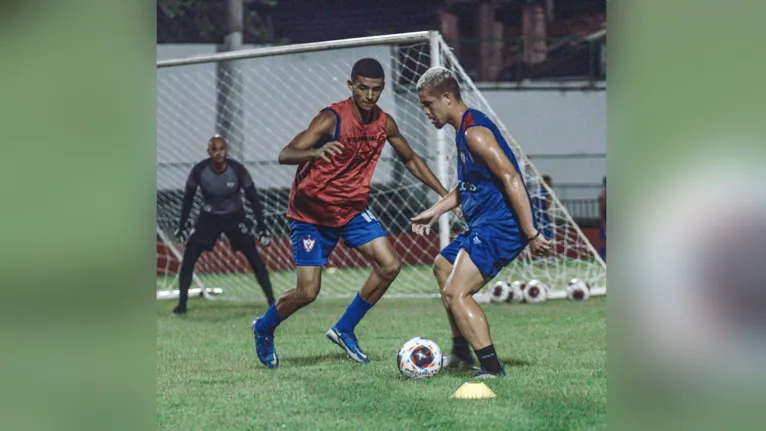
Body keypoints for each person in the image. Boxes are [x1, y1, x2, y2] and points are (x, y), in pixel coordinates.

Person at [252, 58, 450, 369]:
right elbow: (285, 153)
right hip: (311, 215)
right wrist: (315, 152)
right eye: (363, 88)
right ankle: (264, 328)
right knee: (308, 292)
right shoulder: (331, 119)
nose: (369, 96)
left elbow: (410, 159)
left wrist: (445, 194)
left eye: (376, 90)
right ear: (351, 86)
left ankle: (344, 329)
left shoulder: (384, 123)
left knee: (390, 265)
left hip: (351, 211)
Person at [411, 66, 552, 378]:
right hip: (483, 224)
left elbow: (511, 177)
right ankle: (461, 352)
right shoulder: (463, 131)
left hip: (501, 226)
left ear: (447, 98)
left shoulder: (475, 133)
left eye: (428, 104)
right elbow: (468, 186)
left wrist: (530, 233)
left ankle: (491, 368)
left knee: (455, 292)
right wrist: (435, 210)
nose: (425, 112)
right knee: (442, 266)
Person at [173, 135, 275, 314]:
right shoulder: (199, 170)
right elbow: (188, 199)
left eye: (222, 149)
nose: (219, 153)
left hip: (235, 217)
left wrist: (261, 225)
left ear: (226, 150)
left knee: (254, 257)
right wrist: (182, 226)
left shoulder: (238, 170)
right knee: (189, 258)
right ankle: (181, 305)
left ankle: (272, 302)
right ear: (209, 152)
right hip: (208, 218)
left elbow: (253, 198)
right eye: (214, 149)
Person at [598, 176, 606, 261]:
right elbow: (601, 209)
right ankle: (603, 257)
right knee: (605, 240)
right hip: (606, 220)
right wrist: (603, 222)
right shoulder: (603, 194)